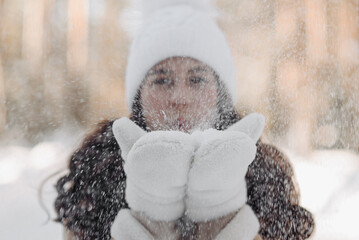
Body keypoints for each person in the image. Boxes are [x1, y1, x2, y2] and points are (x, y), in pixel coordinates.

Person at [54, 1, 314, 239]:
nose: (179, 98)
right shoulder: (97, 181)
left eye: (197, 79)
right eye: (162, 80)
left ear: (220, 94)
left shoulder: (265, 180)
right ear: (138, 98)